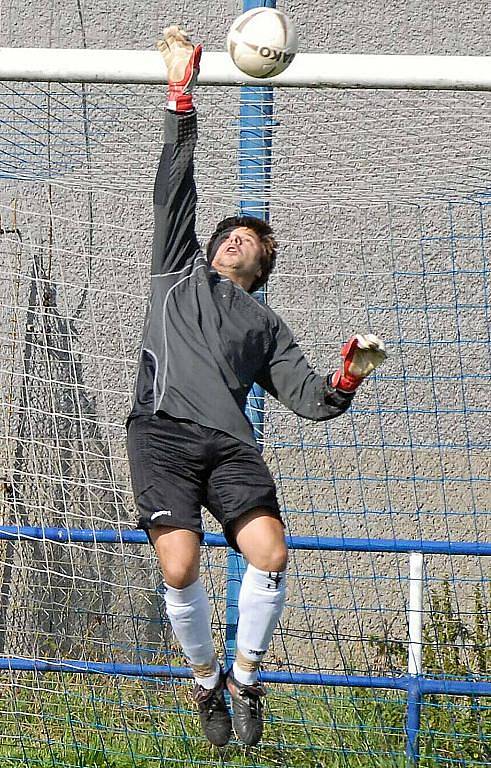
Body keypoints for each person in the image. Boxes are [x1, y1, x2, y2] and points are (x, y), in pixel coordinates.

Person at [126, 26, 387, 748]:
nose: (233, 238)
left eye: (249, 238)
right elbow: (174, 184)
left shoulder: (266, 327)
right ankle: (205, 680)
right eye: (228, 233)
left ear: (263, 263)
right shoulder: (176, 270)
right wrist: (182, 96)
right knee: (179, 565)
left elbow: (311, 398)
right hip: (162, 431)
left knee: (269, 554)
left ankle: (244, 679)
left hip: (230, 444)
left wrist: (347, 377)